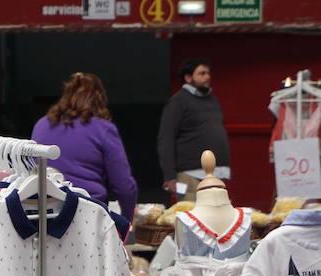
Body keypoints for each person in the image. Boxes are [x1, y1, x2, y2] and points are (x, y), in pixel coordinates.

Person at [31, 72, 138, 222]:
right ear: (100, 99)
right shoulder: (103, 129)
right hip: (86, 215)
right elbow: (123, 185)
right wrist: (127, 219)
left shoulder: (41, 125)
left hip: (43, 213)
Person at [157, 58, 231, 203]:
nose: (207, 77)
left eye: (208, 73)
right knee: (192, 218)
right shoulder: (178, 102)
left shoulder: (212, 100)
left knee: (216, 218)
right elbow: (166, 139)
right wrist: (170, 176)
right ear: (188, 77)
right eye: (202, 73)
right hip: (189, 175)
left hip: (215, 175)